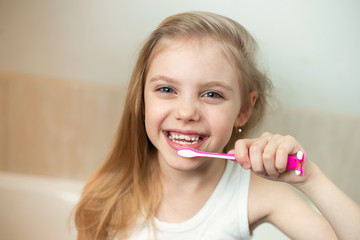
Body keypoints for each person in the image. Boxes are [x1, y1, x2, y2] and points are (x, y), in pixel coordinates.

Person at [75, 11, 360, 240]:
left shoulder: (253, 193)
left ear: (243, 110)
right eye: (166, 89)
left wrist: (310, 179)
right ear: (141, 100)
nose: (186, 112)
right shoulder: (107, 194)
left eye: (212, 94)